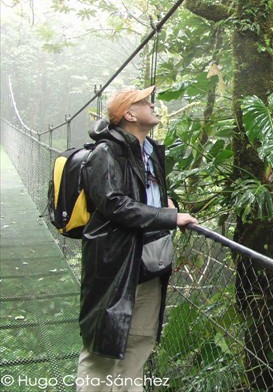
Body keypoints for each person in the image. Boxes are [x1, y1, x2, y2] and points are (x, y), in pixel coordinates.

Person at [76, 85, 198, 392]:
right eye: (146, 102)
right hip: (116, 261)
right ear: (129, 114)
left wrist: (165, 204)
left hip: (150, 260)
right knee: (104, 348)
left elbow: (145, 194)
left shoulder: (152, 151)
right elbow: (114, 203)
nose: (153, 104)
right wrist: (169, 217)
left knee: (139, 340)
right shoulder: (105, 152)